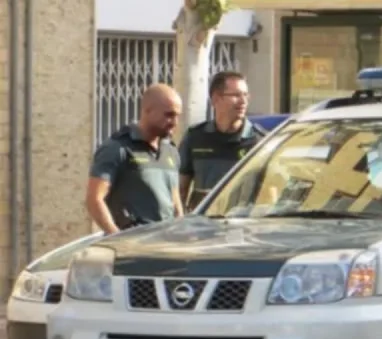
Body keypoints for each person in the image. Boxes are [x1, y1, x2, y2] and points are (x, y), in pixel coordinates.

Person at [85, 83, 184, 235]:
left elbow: (175, 203)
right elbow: (94, 200)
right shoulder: (117, 149)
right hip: (134, 244)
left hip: (166, 243)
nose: (175, 122)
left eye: (177, 116)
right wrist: (117, 237)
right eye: (169, 115)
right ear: (147, 110)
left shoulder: (170, 151)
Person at [178, 71, 266, 211]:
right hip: (202, 226)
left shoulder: (258, 141)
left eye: (245, 95)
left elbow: (269, 191)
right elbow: (180, 190)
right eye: (236, 95)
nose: (243, 101)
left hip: (241, 225)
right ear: (216, 99)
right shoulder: (195, 137)